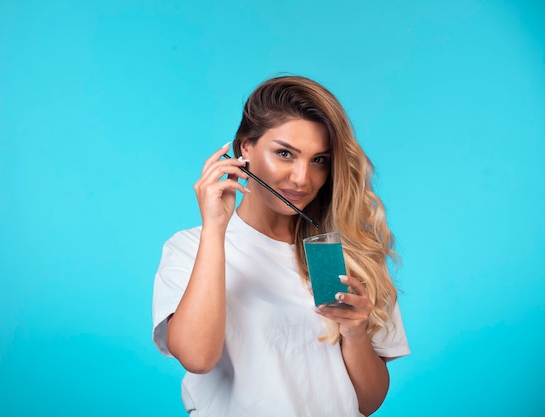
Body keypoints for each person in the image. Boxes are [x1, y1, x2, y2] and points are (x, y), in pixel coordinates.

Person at [152, 75, 410, 417]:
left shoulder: (344, 256)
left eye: (319, 160)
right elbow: (198, 359)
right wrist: (215, 228)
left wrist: (355, 332)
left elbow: (368, 402)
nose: (303, 178)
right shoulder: (190, 248)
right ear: (246, 148)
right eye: (285, 154)